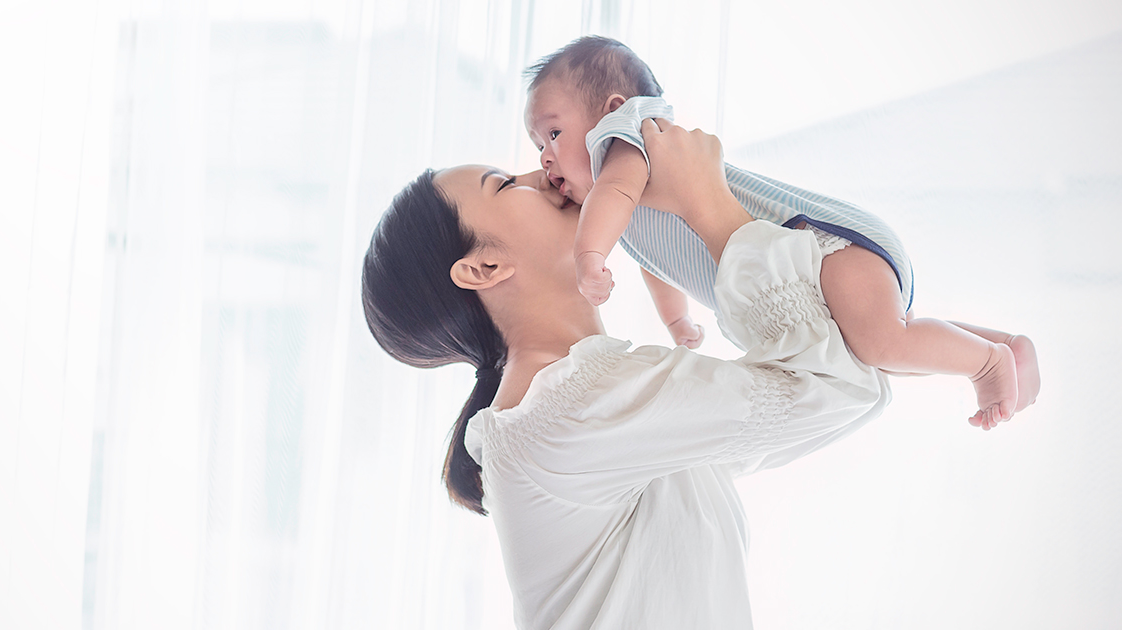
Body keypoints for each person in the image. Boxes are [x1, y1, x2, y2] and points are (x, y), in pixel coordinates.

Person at [362, 119, 891, 629]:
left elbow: (841, 389)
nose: (540, 173)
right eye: (504, 184)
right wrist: (707, 206)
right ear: (483, 268)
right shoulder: (571, 410)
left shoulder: (577, 405)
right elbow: (841, 388)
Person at [523, 35, 1039, 429]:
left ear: (613, 109)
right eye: (537, 144)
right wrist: (676, 320)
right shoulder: (626, 204)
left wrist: (589, 254)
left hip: (823, 247)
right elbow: (655, 262)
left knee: (884, 343)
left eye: (553, 132)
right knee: (879, 351)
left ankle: (986, 364)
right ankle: (1003, 345)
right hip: (812, 268)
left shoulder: (630, 137)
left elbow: (614, 193)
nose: (544, 157)